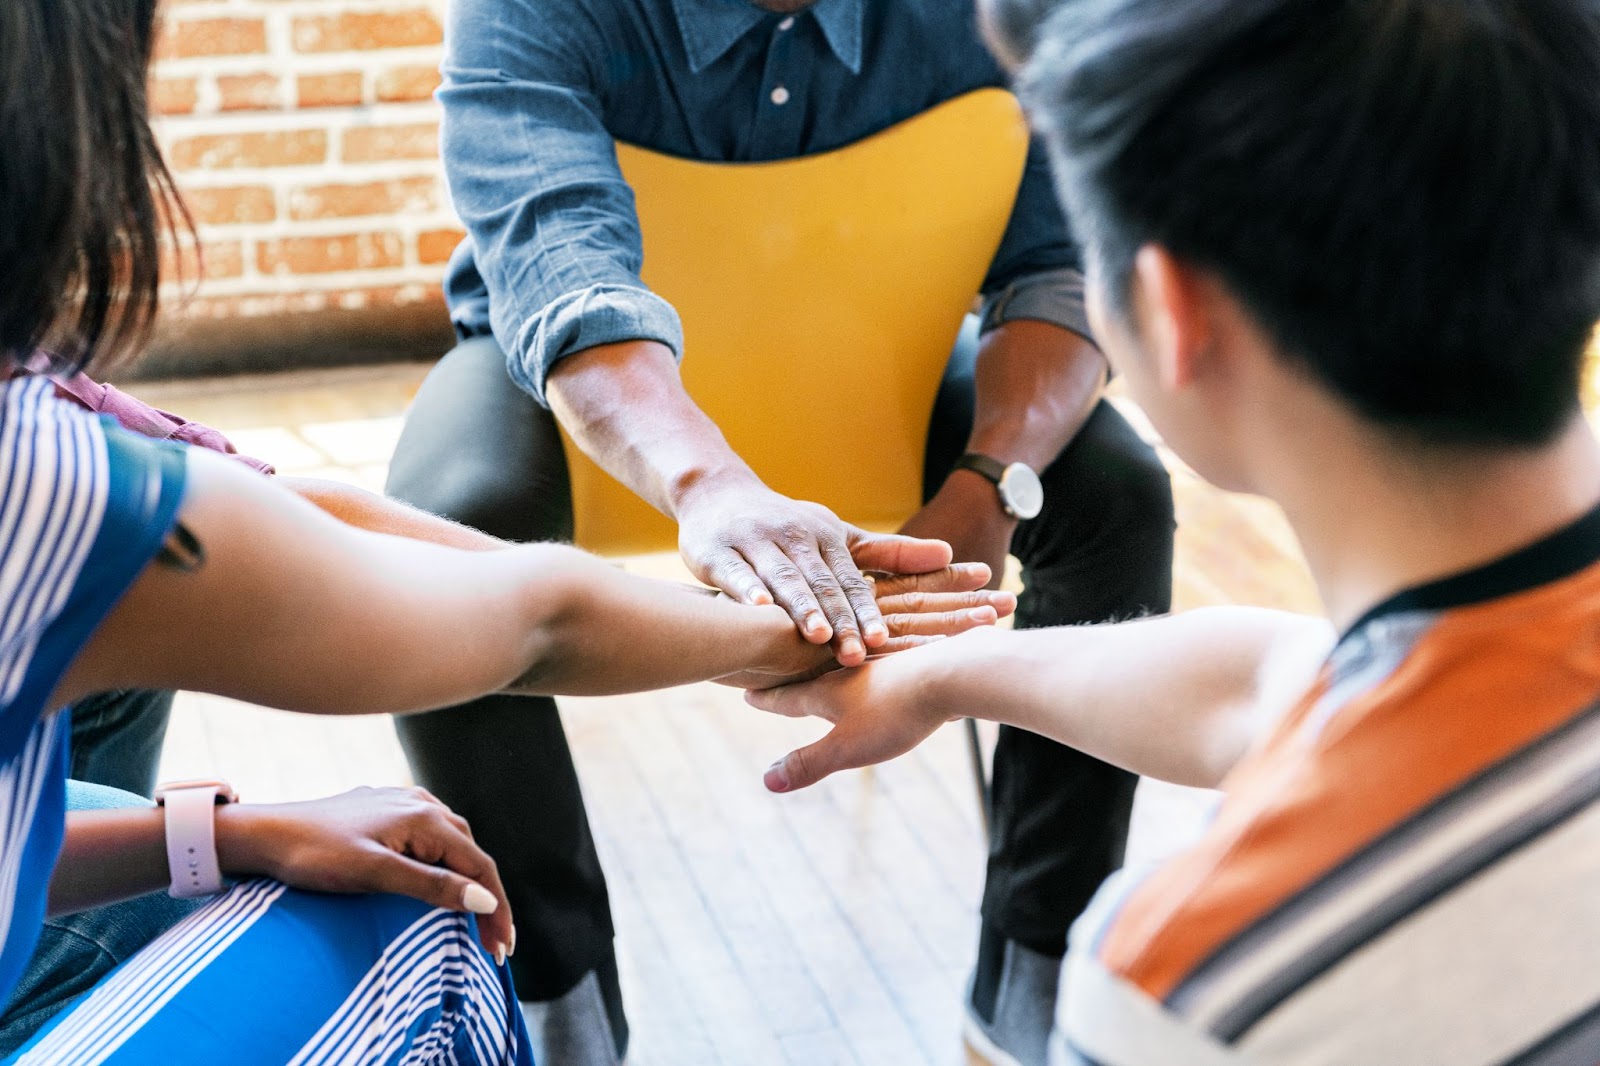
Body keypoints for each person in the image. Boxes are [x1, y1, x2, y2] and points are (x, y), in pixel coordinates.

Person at [0, 0, 1013, 1059]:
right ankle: (568, 1012)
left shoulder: (67, 451)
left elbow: (285, 510)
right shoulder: (49, 484)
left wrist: (214, 835)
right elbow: (534, 621)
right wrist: (781, 626)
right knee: (425, 939)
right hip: (615, 406)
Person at [749, 0, 1600, 1062]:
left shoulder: (1196, 989)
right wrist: (943, 675)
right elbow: (1297, 680)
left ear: (1172, 309)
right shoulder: (1495, 653)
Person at [390, 1, 1177, 1060]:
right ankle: (554, 996)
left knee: (1118, 494)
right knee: (439, 536)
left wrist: (988, 483)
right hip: (596, 390)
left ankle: (1040, 968)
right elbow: (566, 273)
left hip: (881, 365)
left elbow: (1061, 261)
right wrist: (708, 480)